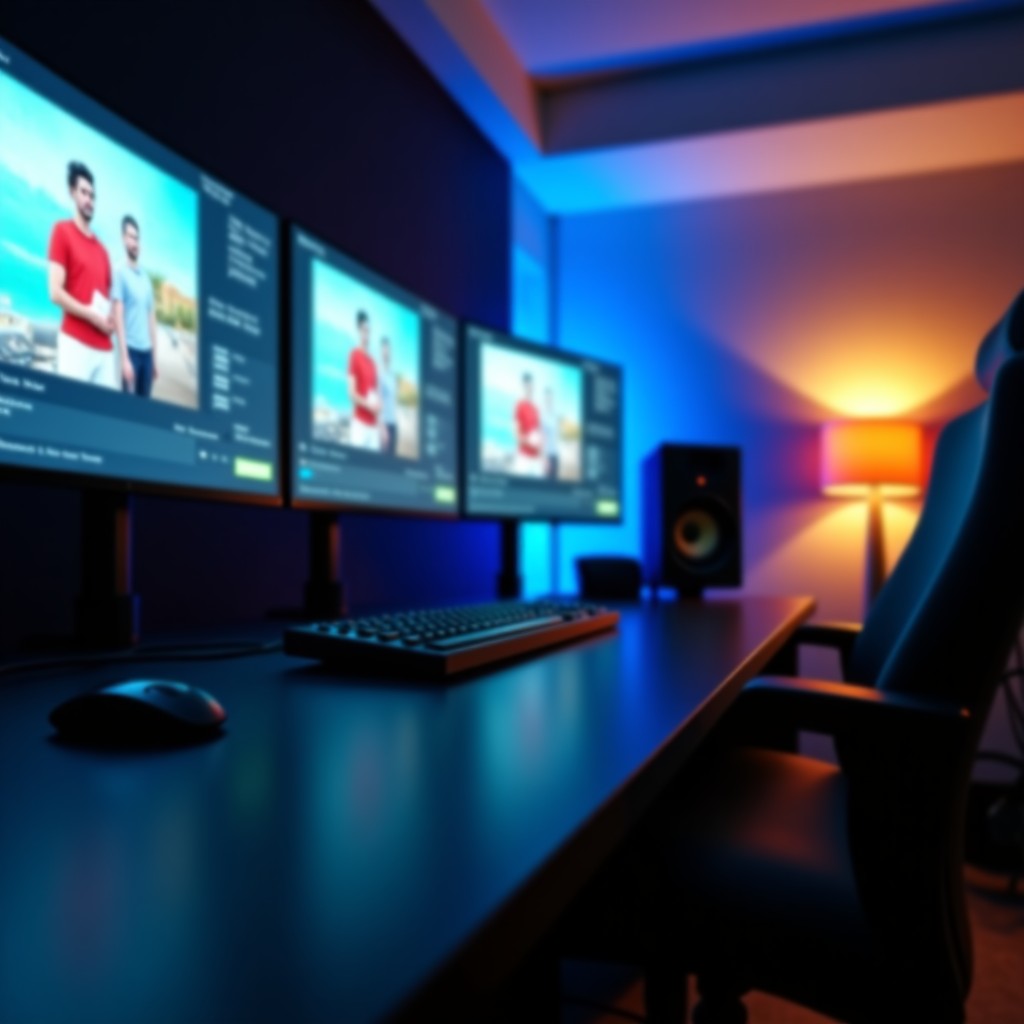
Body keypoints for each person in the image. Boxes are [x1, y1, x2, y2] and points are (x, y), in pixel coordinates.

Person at [47, 161, 116, 388]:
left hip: (105, 350)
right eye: (84, 193)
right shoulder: (61, 231)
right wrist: (89, 314)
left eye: (92, 195)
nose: (89, 200)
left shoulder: (104, 251)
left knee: (110, 421)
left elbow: (108, 301)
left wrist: (111, 320)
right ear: (72, 193)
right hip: (74, 344)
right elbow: (55, 292)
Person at [111, 215, 159, 398]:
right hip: (131, 352)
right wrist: (124, 359)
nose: (134, 242)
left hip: (147, 355)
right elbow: (118, 318)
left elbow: (151, 320)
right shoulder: (119, 272)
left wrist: (154, 359)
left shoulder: (146, 278)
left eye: (137, 237)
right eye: (130, 237)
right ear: (123, 239)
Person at [347, 310, 380, 450]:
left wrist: (380, 424)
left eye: (368, 329)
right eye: (363, 329)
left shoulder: (373, 362)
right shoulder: (354, 355)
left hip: (374, 428)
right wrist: (369, 405)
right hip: (359, 425)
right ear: (358, 330)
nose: (366, 332)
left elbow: (375, 394)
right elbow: (351, 394)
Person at [513, 372, 543, 477]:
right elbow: (518, 436)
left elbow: (539, 432)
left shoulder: (536, 408)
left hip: (536, 460)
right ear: (523, 386)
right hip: (524, 459)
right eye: (527, 385)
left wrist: (542, 455)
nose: (530, 388)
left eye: (531, 385)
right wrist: (530, 442)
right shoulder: (519, 405)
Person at [378, 335, 398, 456]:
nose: (387, 353)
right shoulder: (378, 373)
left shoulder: (393, 374)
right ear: (381, 352)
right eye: (384, 350)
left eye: (388, 350)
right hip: (384, 425)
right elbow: (378, 400)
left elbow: (393, 400)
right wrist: (382, 427)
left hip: (394, 424)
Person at [541, 385, 560, 479]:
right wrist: (544, 458)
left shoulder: (555, 415)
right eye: (547, 398)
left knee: (555, 482)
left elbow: (557, 435)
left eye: (550, 398)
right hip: (547, 456)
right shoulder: (542, 416)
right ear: (545, 399)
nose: (549, 400)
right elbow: (542, 438)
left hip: (555, 454)